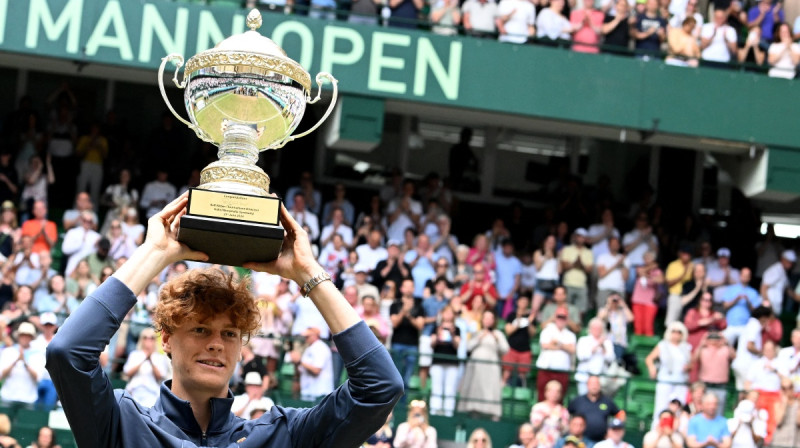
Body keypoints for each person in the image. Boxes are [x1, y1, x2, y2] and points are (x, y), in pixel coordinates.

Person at [45, 193, 403, 446]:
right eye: (200, 329)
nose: (216, 343)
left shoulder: (285, 435)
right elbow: (67, 352)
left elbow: (380, 388)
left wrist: (307, 273)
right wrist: (153, 254)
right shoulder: (121, 424)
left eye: (230, 333)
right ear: (166, 339)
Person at [457, 310, 508, 420]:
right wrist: (479, 338)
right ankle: (474, 413)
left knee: (491, 390)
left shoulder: (498, 334)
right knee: (475, 389)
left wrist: (496, 339)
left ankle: (493, 415)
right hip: (476, 367)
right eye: (486, 318)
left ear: (494, 321)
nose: (488, 321)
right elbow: (468, 347)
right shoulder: (477, 333)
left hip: (491, 368)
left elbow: (505, 349)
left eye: (490, 318)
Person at [646, 322, 692, 417]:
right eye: (673, 331)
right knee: (661, 407)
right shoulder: (662, 345)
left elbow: (691, 364)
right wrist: (652, 368)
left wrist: (687, 367)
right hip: (665, 380)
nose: (676, 334)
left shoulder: (686, 347)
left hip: (680, 382)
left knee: (678, 408)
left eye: (679, 332)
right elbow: (649, 359)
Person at [536, 303, 577, 400]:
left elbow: (572, 350)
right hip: (546, 369)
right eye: (559, 316)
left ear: (567, 319)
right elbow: (545, 345)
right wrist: (564, 346)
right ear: (555, 317)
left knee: (559, 398)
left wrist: (557, 343)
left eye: (563, 317)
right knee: (542, 396)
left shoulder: (570, 335)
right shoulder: (547, 330)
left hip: (562, 370)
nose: (561, 319)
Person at [122, 327, 171, 408]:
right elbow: (128, 373)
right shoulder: (134, 354)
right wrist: (144, 358)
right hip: (134, 392)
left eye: (151, 338)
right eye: (145, 338)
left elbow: (160, 376)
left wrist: (151, 360)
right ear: (141, 339)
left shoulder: (160, 357)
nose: (148, 341)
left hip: (152, 394)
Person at [0, 322, 45, 404]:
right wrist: (15, 361)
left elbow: (38, 378)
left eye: (27, 336)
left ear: (31, 337)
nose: (25, 338)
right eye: (23, 335)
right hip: (7, 397)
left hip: (28, 399)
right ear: (18, 336)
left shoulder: (38, 355)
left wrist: (24, 362)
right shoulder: (8, 351)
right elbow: (2, 375)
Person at [568, 376, 620, 445]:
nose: (594, 386)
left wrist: (613, 430)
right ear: (587, 385)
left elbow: (620, 414)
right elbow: (567, 414)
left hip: (601, 441)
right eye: (592, 384)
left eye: (596, 384)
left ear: (600, 386)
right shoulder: (578, 400)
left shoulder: (607, 401)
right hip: (580, 442)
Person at [428, 305, 460, 417]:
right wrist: (437, 334)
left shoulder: (457, 329)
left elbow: (457, 345)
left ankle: (448, 413)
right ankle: (434, 411)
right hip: (437, 361)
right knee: (436, 388)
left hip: (452, 362)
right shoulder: (436, 327)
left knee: (450, 389)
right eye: (446, 312)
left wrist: (452, 334)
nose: (448, 315)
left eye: (450, 313)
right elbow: (432, 344)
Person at [693, 331, 735, 414]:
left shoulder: (725, 349)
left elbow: (734, 356)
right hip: (706, 384)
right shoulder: (703, 350)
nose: (714, 341)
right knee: (704, 407)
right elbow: (694, 358)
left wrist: (726, 342)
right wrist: (702, 343)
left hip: (721, 384)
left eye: (716, 339)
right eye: (711, 339)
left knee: (719, 408)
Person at [721, 268, 760, 346]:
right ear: (740, 276)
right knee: (723, 346)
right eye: (743, 275)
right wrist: (736, 299)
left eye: (747, 276)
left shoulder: (753, 292)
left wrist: (748, 301)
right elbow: (725, 306)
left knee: (744, 349)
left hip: (745, 326)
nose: (745, 277)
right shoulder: (731, 289)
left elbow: (756, 311)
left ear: (750, 278)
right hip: (731, 325)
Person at [575, 318, 616, 395]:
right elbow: (581, 357)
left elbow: (611, 359)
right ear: (590, 329)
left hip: (601, 378)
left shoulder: (607, 342)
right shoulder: (583, 340)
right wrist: (597, 345)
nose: (597, 330)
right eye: (595, 328)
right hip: (584, 377)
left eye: (599, 328)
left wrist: (603, 347)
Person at [503, 295, 536, 386]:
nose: (523, 304)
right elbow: (508, 331)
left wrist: (528, 322)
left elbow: (532, 334)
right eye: (522, 301)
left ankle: (522, 391)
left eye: (525, 302)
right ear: (518, 302)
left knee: (522, 375)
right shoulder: (512, 315)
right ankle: (502, 388)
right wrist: (519, 320)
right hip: (512, 348)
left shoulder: (530, 317)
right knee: (507, 373)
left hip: (525, 350)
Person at [559, 228, 594, 315]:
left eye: (582, 237)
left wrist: (579, 265)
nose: (580, 238)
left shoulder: (588, 252)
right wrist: (576, 264)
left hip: (581, 284)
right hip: (568, 283)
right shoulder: (567, 249)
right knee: (565, 308)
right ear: (575, 237)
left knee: (581, 310)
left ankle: (578, 327)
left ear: (585, 239)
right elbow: (563, 265)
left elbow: (589, 269)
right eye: (578, 236)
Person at [631, 251, 664, 336]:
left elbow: (661, 280)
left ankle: (648, 347)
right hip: (638, 300)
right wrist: (651, 268)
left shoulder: (657, 271)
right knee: (638, 325)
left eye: (649, 258)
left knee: (648, 325)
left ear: (653, 259)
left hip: (650, 302)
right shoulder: (640, 268)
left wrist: (650, 275)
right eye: (645, 258)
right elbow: (640, 273)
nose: (647, 260)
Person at [530, 380, 570, 448]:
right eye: (552, 391)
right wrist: (543, 418)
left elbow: (565, 432)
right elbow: (533, 428)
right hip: (539, 444)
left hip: (557, 445)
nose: (554, 394)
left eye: (557, 392)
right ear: (546, 392)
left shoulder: (564, 411)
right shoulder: (538, 407)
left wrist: (560, 421)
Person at [596, 292, 633, 360]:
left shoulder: (622, 312)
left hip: (619, 342)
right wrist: (608, 304)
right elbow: (599, 318)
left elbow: (631, 318)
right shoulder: (604, 310)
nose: (615, 301)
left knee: (616, 363)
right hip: (606, 341)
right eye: (613, 299)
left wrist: (624, 305)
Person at [664, 246, 694, 325]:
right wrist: (682, 275)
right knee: (671, 321)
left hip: (687, 297)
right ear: (680, 254)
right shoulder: (673, 265)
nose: (686, 256)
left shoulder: (692, 266)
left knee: (682, 321)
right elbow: (669, 283)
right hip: (675, 295)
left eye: (688, 254)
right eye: (684, 254)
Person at [760, 250, 795, 316]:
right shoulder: (775, 269)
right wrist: (767, 305)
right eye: (788, 261)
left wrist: (796, 297)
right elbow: (763, 287)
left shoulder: (783, 271)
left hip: (775, 307)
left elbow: (787, 289)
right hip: (769, 307)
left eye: (791, 263)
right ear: (783, 259)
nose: (790, 264)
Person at [771, 378, 799, 448]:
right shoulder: (778, 404)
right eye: (784, 388)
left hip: (795, 442)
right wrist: (784, 404)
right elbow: (778, 421)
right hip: (780, 442)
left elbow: (799, 422)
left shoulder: (798, 403)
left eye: (790, 387)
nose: (787, 390)